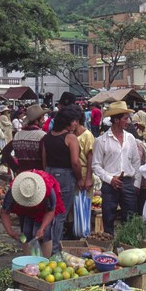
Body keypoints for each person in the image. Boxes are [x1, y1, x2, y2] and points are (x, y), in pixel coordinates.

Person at [92, 101, 141, 235]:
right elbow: (95, 165)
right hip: (110, 184)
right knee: (108, 218)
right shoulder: (101, 140)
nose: (128, 121)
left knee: (130, 219)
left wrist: (136, 183)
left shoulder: (130, 138)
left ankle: (128, 246)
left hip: (128, 182)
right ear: (116, 120)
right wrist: (110, 179)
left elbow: (136, 162)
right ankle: (109, 246)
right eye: (125, 118)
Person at [42, 106, 83, 253]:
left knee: (49, 212)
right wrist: (80, 178)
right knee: (59, 215)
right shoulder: (70, 138)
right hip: (65, 175)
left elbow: (44, 161)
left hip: (49, 174)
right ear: (68, 122)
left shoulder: (47, 137)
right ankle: (54, 250)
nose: (76, 124)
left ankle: (45, 246)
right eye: (74, 121)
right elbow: (75, 162)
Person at [1, 170, 65, 258]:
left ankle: (44, 261)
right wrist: (10, 232)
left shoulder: (48, 189)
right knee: (26, 231)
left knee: (45, 234)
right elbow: (4, 212)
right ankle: (29, 261)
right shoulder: (13, 191)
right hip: (24, 210)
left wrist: (42, 228)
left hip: (43, 210)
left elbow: (50, 211)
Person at [2, 104, 49, 174]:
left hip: (22, 175)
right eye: (42, 119)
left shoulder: (18, 135)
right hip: (39, 175)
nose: (44, 121)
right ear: (36, 121)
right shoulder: (42, 135)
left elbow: (5, 152)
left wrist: (16, 168)